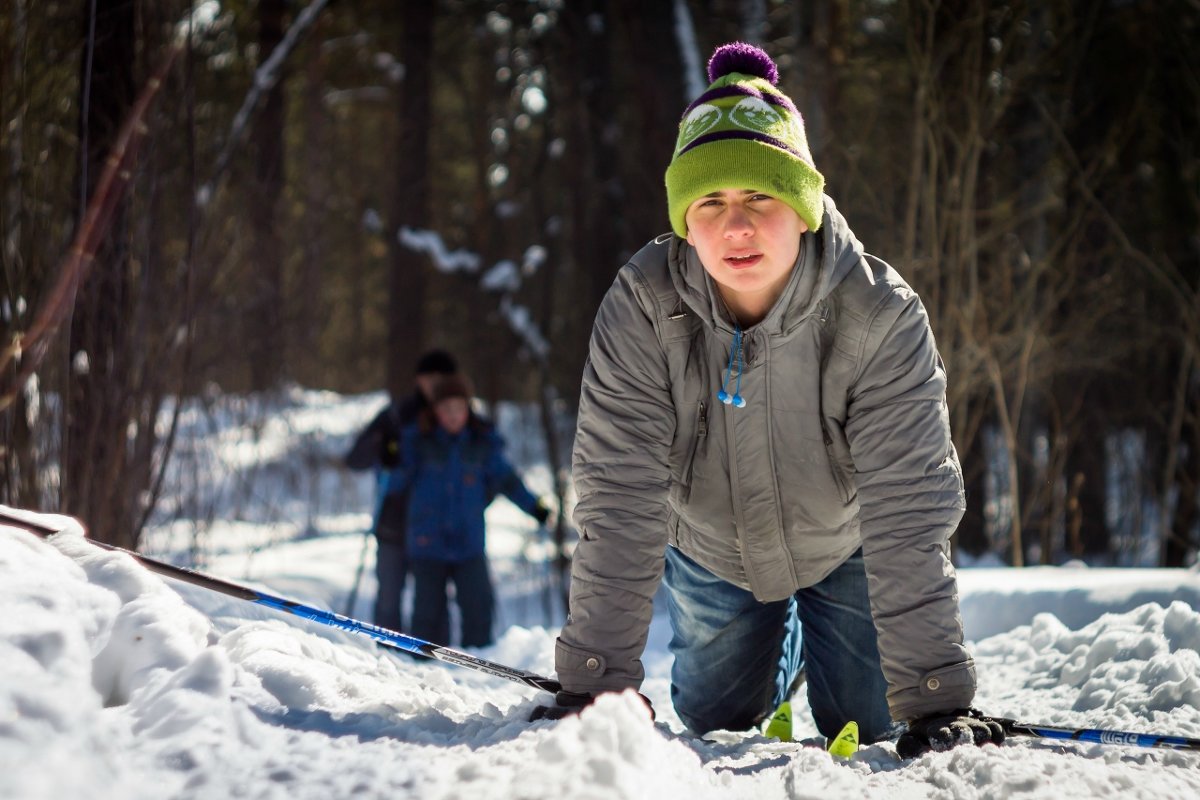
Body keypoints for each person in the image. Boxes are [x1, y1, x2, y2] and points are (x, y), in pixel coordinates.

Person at [537, 42, 1006, 759]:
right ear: (684, 219)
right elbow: (619, 490)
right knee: (716, 715)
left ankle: (828, 640)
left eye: (760, 196)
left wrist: (937, 697)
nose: (737, 227)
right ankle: (778, 650)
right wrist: (597, 679)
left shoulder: (880, 315)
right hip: (712, 546)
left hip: (841, 540)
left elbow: (908, 504)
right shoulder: (642, 308)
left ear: (803, 205)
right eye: (712, 202)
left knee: (869, 719)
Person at [387, 373, 551, 648]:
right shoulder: (417, 442)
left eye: (458, 408)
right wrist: (392, 455)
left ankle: (479, 669)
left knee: (478, 609)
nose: (453, 415)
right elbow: (394, 484)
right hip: (427, 543)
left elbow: (508, 480)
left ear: (468, 408)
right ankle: (421, 670)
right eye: (446, 409)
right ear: (435, 411)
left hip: (468, 543)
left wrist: (535, 507)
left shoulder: (481, 444)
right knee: (428, 616)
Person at [344, 348, 458, 633]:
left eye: (441, 377)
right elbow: (356, 459)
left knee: (432, 606)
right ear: (418, 379)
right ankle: (385, 658)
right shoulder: (396, 415)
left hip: (434, 528)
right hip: (393, 524)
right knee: (388, 600)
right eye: (429, 376)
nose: (434, 383)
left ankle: (436, 663)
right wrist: (382, 446)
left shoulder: (458, 418)